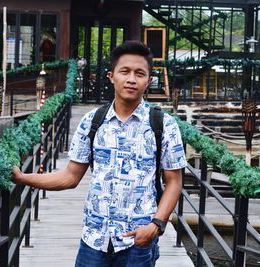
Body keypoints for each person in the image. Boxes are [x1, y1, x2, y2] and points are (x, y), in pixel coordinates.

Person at [13, 40, 187, 267]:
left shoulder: (164, 125)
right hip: (94, 240)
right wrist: (24, 178)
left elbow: (174, 182)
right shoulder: (92, 122)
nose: (131, 79)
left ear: (149, 81)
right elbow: (70, 176)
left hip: (138, 241)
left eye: (139, 73)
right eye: (124, 72)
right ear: (111, 76)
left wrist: (156, 225)